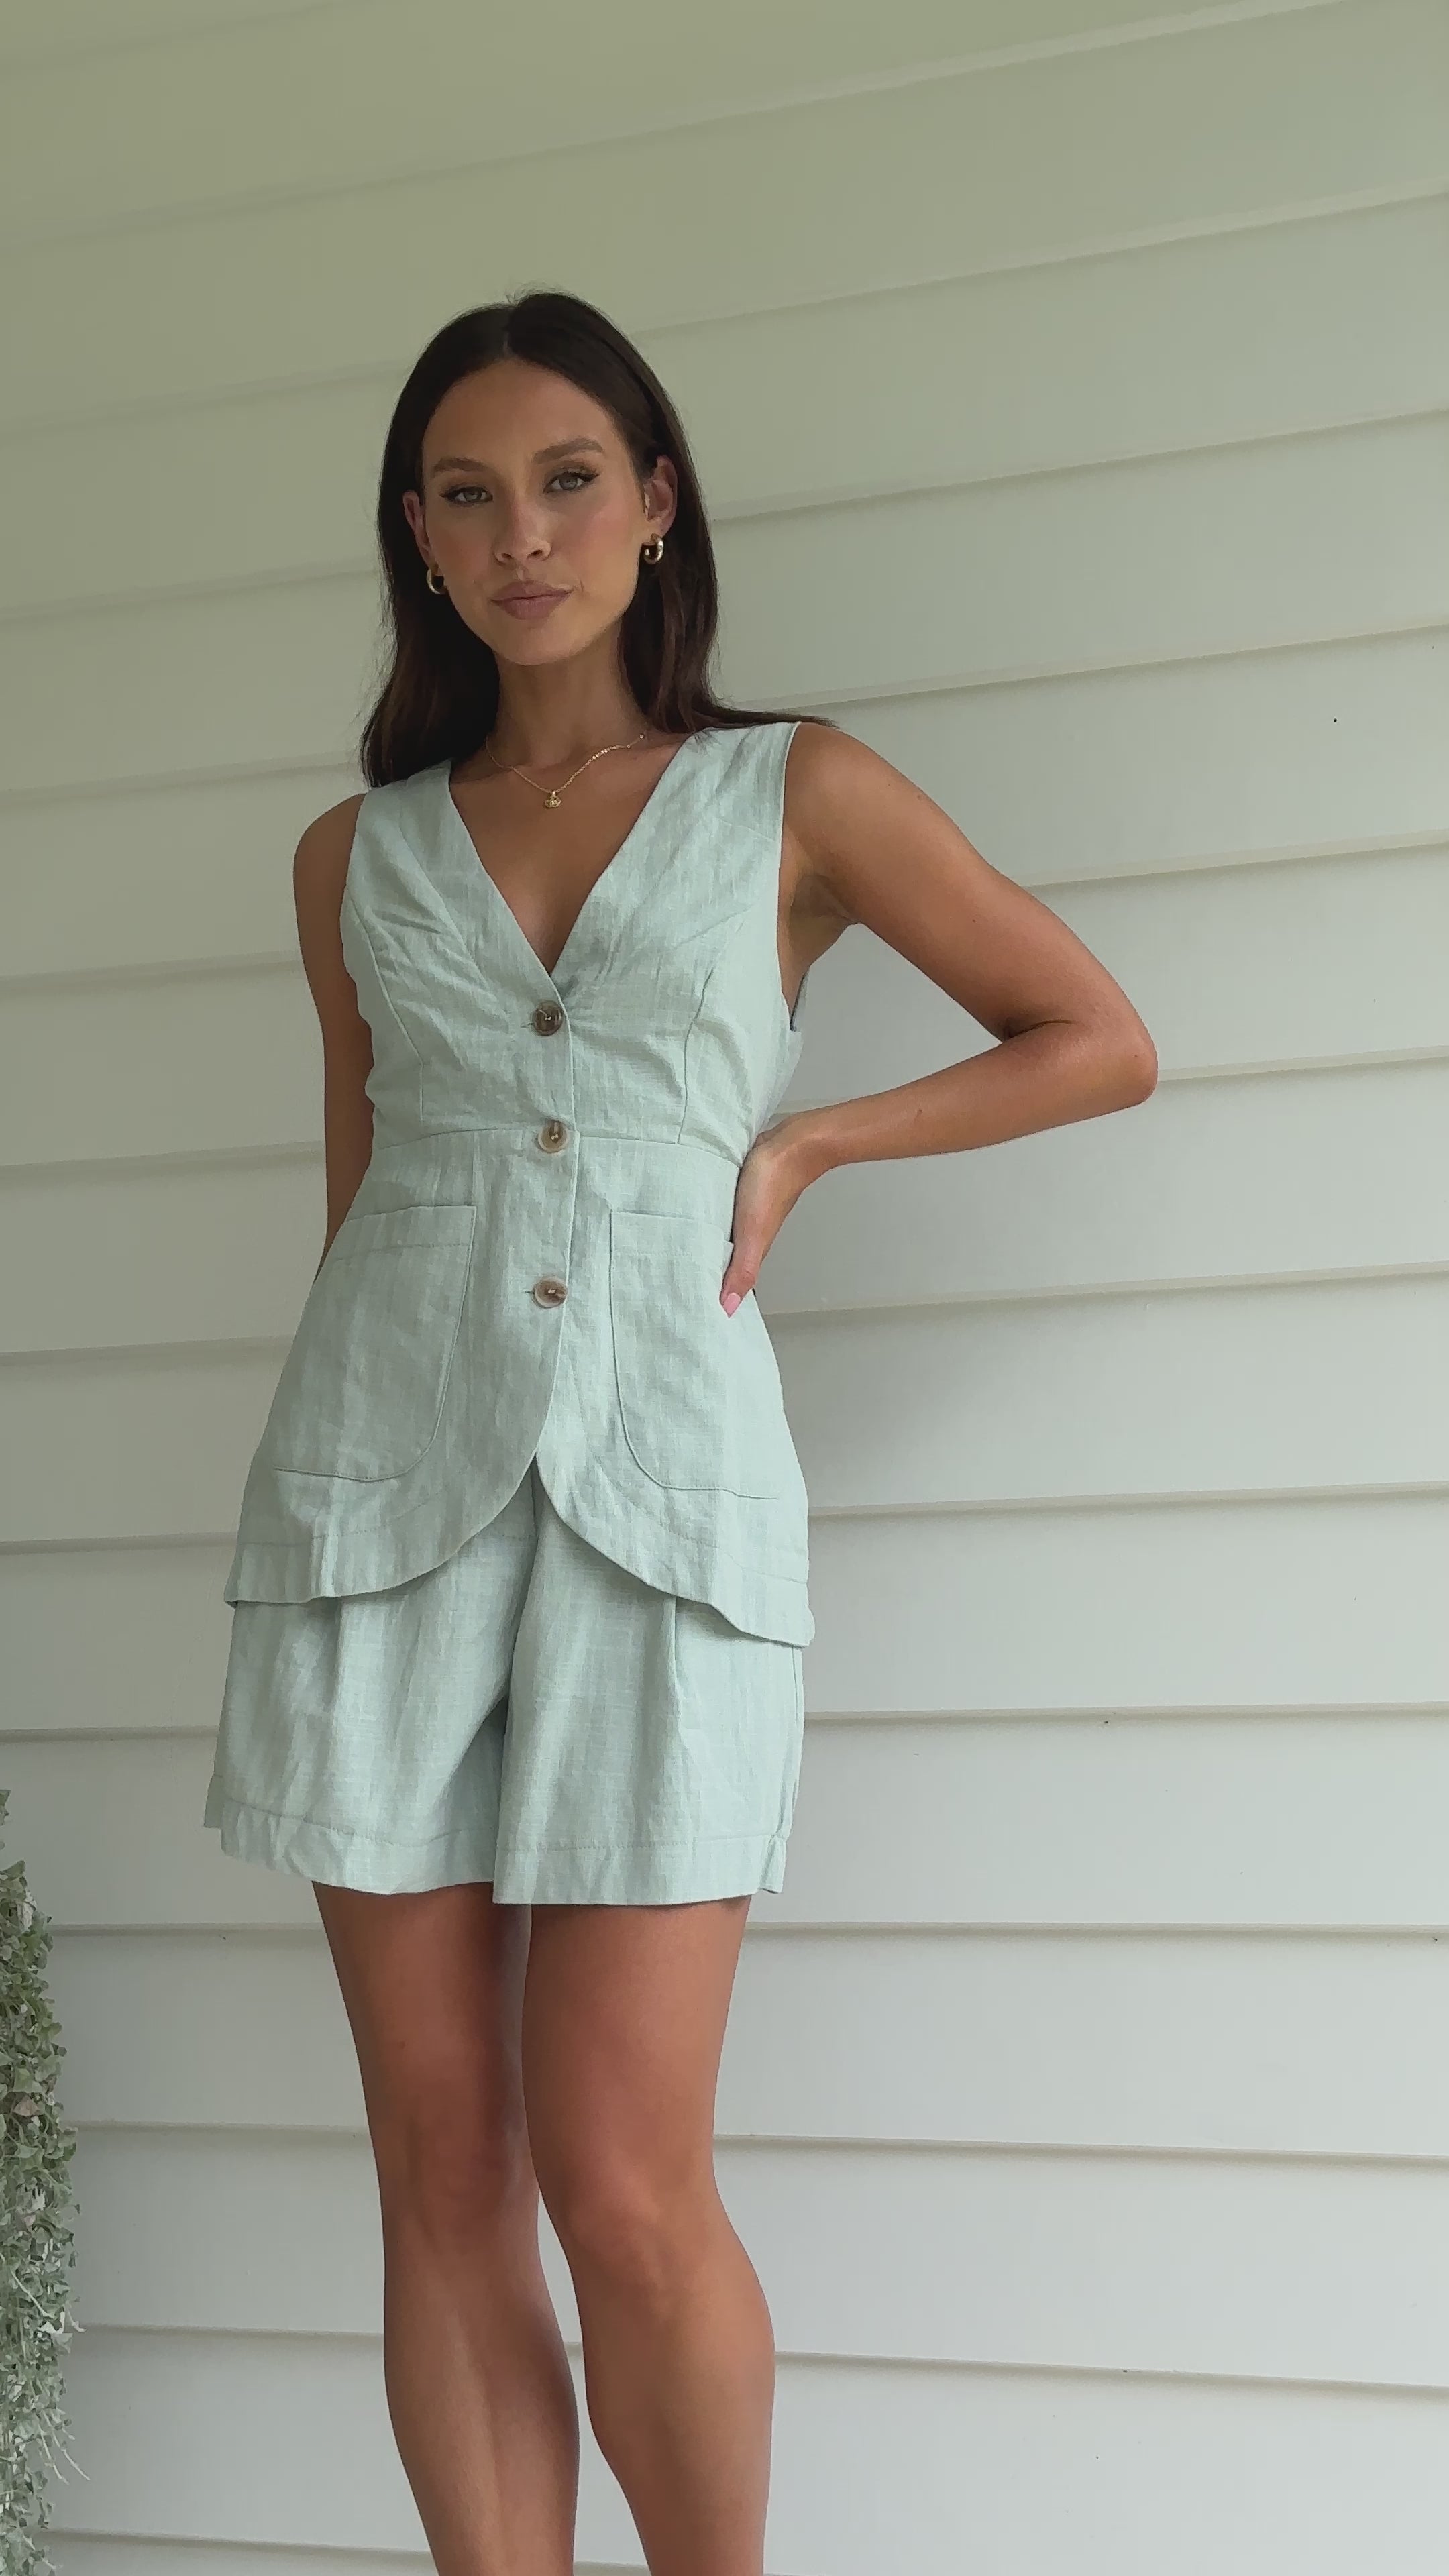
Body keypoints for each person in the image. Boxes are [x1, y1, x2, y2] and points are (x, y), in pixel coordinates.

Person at [203, 287, 1157, 2576]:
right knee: (442, 2175)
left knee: (625, 2182)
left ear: (652, 508)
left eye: (565, 482)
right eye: (467, 495)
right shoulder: (354, 859)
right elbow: (360, 1207)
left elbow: (1092, 1034)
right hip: (376, 1510)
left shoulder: (787, 792)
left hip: (666, 1512)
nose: (520, 535)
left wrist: (807, 1145)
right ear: (420, 540)